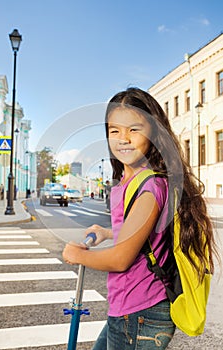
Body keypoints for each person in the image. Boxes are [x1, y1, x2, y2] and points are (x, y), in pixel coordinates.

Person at [63, 87, 218, 350]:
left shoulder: (149, 187)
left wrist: (78, 255)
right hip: (131, 308)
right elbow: (146, 231)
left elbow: (121, 259)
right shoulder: (131, 180)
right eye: (115, 131)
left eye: (134, 129)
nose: (123, 138)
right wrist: (108, 232)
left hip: (139, 313)